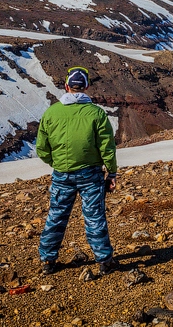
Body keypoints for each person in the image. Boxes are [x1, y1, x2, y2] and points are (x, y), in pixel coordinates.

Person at [36, 66, 118, 275]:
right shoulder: (97, 113)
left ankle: (48, 261)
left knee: (56, 216)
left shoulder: (51, 112)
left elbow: (42, 148)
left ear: (66, 86)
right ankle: (104, 261)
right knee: (94, 217)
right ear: (86, 87)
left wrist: (57, 163)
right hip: (91, 175)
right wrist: (112, 172)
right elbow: (107, 147)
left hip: (61, 174)